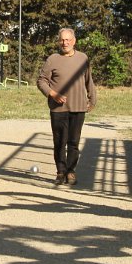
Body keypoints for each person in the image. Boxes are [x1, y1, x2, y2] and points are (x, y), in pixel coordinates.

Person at [36, 27, 97, 186]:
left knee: (73, 142)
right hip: (58, 109)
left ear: (74, 41)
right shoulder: (52, 59)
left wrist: (92, 99)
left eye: (68, 40)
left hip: (78, 107)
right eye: (62, 40)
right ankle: (60, 172)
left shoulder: (83, 58)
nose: (65, 43)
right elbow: (41, 81)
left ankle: (71, 171)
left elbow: (88, 80)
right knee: (59, 142)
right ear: (58, 41)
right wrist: (52, 94)